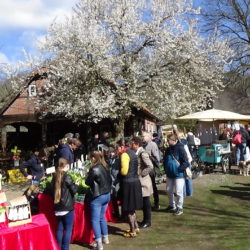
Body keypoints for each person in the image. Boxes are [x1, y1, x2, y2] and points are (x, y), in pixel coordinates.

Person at [85, 151, 112, 250]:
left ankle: (99, 244)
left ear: (93, 158)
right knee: (101, 217)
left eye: (91, 158)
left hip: (98, 197)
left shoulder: (94, 169)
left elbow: (87, 182)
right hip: (107, 195)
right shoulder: (105, 166)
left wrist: (88, 173)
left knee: (95, 220)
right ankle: (106, 238)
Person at [117, 139, 142, 238]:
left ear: (122, 146)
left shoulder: (125, 155)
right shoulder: (133, 153)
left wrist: (119, 172)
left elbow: (124, 171)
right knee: (132, 209)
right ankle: (136, 227)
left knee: (128, 209)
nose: (117, 149)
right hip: (135, 181)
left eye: (118, 147)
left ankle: (132, 231)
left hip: (128, 183)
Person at [52, 158, 78, 250]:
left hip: (58, 207)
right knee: (68, 229)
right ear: (66, 166)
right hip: (67, 207)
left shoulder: (54, 176)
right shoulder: (67, 177)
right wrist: (77, 184)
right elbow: (74, 190)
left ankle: (58, 247)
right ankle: (65, 248)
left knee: (59, 229)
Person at [164, 134, 189, 216]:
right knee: (168, 190)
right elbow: (165, 160)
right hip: (169, 174)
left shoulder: (180, 148)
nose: (167, 142)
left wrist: (179, 170)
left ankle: (179, 207)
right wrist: (166, 169)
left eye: (168, 140)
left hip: (179, 174)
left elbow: (186, 162)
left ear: (173, 140)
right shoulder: (168, 149)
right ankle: (171, 205)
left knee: (178, 191)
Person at [131, 137, 153, 228]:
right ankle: (145, 220)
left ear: (136, 144)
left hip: (144, 182)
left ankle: (147, 221)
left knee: (146, 202)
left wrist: (141, 173)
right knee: (144, 203)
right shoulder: (137, 153)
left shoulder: (142, 153)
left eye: (132, 143)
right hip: (140, 182)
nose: (131, 145)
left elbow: (150, 166)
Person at [142, 131, 160, 210]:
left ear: (148, 137)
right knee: (144, 186)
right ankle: (145, 204)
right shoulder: (142, 145)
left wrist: (149, 157)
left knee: (153, 185)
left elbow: (157, 157)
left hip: (151, 168)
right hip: (144, 168)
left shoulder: (152, 144)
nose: (142, 137)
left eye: (143, 136)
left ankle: (157, 203)